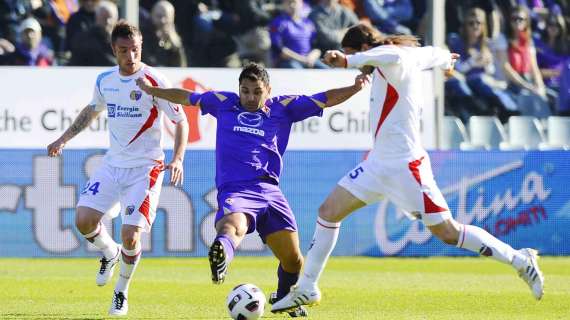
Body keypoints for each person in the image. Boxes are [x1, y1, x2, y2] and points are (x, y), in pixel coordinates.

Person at [271, 23, 545, 314]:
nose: (358, 68)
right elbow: (436, 54)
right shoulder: (403, 57)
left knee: (449, 233)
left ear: (365, 49)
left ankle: (520, 260)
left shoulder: (391, 55)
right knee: (328, 212)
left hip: (406, 167)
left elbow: (388, 55)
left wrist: (347, 60)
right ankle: (308, 286)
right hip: (377, 165)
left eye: (357, 56)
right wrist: (446, 60)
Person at [136, 62, 368, 318]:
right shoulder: (223, 102)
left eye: (256, 91)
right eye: (245, 90)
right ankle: (222, 253)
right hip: (237, 189)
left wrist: (355, 88)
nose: (249, 97)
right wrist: (152, 90)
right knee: (233, 225)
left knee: (294, 261)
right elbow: (186, 97)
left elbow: (323, 99)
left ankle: (283, 297)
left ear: (268, 90)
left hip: (270, 192)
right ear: (239, 89)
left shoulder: (283, 108)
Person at [47, 21, 189, 316]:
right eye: (124, 50)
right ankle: (109, 253)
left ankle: (121, 292)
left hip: (145, 168)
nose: (130, 56)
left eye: (135, 49)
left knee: (131, 236)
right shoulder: (105, 80)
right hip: (113, 165)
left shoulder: (154, 80)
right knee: (83, 220)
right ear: (114, 50)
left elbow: (181, 121)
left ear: (141, 48)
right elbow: (91, 111)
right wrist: (63, 138)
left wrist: (178, 158)